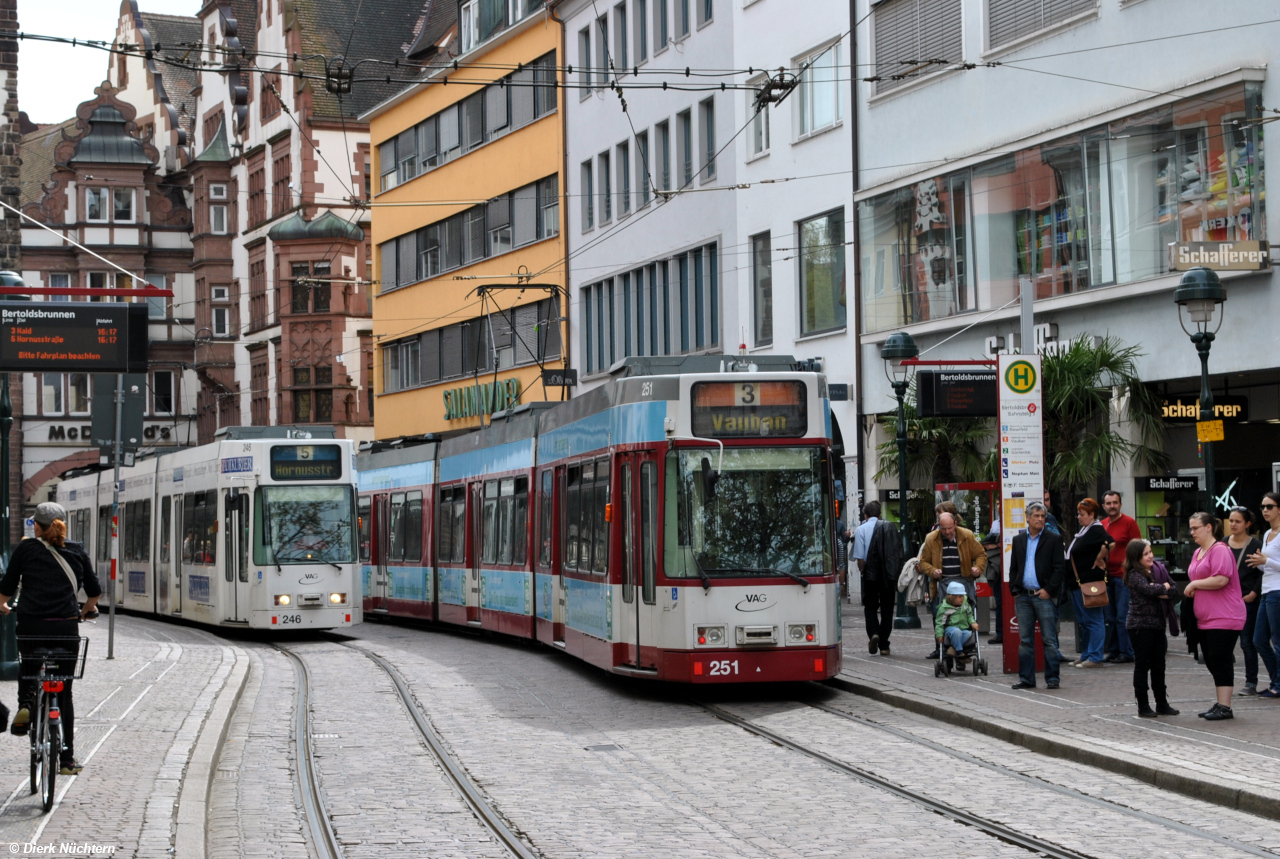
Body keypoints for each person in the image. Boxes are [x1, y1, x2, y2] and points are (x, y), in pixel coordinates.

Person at [0, 502, 102, 775]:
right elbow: (94, 591)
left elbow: (7, 587)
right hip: (66, 630)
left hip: (32, 626)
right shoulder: (77, 550)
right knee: (65, 692)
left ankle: (25, 705)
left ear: (36, 525)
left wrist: (3, 605)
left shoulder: (25, 549)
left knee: (30, 667)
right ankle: (67, 759)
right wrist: (84, 611)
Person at [1184, 511, 1247, 721]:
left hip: (1225, 615)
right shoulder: (1197, 552)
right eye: (1190, 528)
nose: (1192, 532)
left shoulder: (1220, 549)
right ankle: (1221, 703)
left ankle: (1225, 706)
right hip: (1205, 618)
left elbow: (1221, 579)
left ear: (1209, 527)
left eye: (1195, 528)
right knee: (1211, 659)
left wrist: (1194, 584)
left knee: (1220, 658)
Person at [1009, 502, 1067, 690]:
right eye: (1036, 516)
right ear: (1027, 518)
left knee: (1049, 639)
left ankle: (1052, 678)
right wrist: (1015, 590)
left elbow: (1059, 569)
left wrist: (1048, 590)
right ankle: (1027, 678)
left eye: (1043, 516)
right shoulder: (1018, 540)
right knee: (1025, 640)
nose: (1040, 519)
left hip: (1044, 596)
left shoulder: (1054, 539)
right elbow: (1014, 568)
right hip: (1024, 596)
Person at [1124, 539, 1181, 717]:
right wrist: (1161, 588)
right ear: (1136, 557)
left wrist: (1161, 589)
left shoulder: (1159, 569)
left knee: (1159, 665)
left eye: (1150, 552)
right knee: (1142, 665)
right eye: (1146, 554)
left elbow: (1174, 589)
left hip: (1158, 625)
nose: (1150, 556)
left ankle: (1162, 703)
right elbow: (1149, 590)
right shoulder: (1134, 575)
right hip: (1140, 626)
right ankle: (1143, 705)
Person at [919, 512, 986, 659]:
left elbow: (981, 555)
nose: (947, 532)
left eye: (950, 528)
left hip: (964, 584)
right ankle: (946, 657)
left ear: (955, 524)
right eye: (943, 529)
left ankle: (964, 654)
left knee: (966, 617)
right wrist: (932, 571)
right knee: (941, 619)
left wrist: (977, 568)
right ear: (939, 527)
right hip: (942, 586)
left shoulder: (967, 535)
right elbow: (923, 562)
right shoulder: (931, 539)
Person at [1066, 498, 1111, 668]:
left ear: (1092, 515)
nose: (1078, 517)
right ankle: (1086, 654)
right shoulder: (1085, 530)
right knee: (1084, 620)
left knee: (1093, 619)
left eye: (1082, 514)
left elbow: (1110, 542)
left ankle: (1095, 656)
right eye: (1078, 513)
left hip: (1088, 582)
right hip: (1078, 583)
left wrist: (1100, 558)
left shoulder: (1096, 530)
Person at [1245, 492, 1280, 699]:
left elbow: (1272, 564)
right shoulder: (1267, 534)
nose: (1265, 510)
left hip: (1277, 591)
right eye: (1263, 506)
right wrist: (1258, 563)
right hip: (1266, 591)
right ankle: (1276, 680)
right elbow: (1266, 566)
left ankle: (1278, 684)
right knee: (1259, 639)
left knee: (1277, 640)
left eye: (1270, 506)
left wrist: (1266, 561)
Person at [1227, 507, 1263, 696]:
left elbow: (1262, 573)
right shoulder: (1224, 544)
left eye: (1237, 521)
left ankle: (1251, 682)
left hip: (1247, 600)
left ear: (1247, 524)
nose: (1233, 524)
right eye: (1231, 520)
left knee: (1247, 642)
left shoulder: (1255, 544)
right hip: (1227, 601)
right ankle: (1225, 681)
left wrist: (1253, 594)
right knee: (1225, 642)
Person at [1102, 491, 1140, 665]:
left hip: (1124, 577)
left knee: (1122, 616)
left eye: (1115, 502)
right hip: (1106, 577)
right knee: (1110, 617)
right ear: (1104, 506)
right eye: (1108, 503)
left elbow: (1137, 548)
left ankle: (1127, 651)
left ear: (1120, 504)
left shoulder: (1129, 523)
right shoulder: (1102, 524)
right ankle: (1114, 650)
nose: (1112, 506)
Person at [860, 507, 902, 656]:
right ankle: (884, 645)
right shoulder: (891, 528)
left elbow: (859, 558)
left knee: (870, 607)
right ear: (879, 515)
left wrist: (863, 571)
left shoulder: (861, 529)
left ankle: (873, 633)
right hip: (888, 575)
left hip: (871, 575)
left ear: (865, 515)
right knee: (887, 610)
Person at [935, 580, 979, 670]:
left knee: (969, 633)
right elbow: (939, 623)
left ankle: (953, 649)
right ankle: (959, 653)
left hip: (963, 628)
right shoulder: (944, 608)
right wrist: (939, 634)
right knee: (956, 631)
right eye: (959, 597)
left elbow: (969, 615)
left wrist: (973, 622)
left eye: (962, 596)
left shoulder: (965, 605)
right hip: (950, 629)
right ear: (951, 597)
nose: (962, 599)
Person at [982, 515, 1004, 645]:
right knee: (999, 602)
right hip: (998, 566)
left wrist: (996, 544)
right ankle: (1000, 633)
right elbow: (987, 543)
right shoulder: (996, 523)